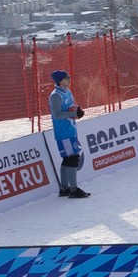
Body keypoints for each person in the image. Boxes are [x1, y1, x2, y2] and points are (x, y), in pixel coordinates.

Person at [47, 69, 88, 197]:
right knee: (73, 158)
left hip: (71, 129)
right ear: (60, 81)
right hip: (63, 132)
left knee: (68, 159)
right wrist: (73, 113)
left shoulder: (67, 92)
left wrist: (77, 110)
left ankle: (64, 188)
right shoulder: (55, 95)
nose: (69, 79)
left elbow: (70, 107)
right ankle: (73, 189)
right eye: (66, 78)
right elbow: (57, 114)